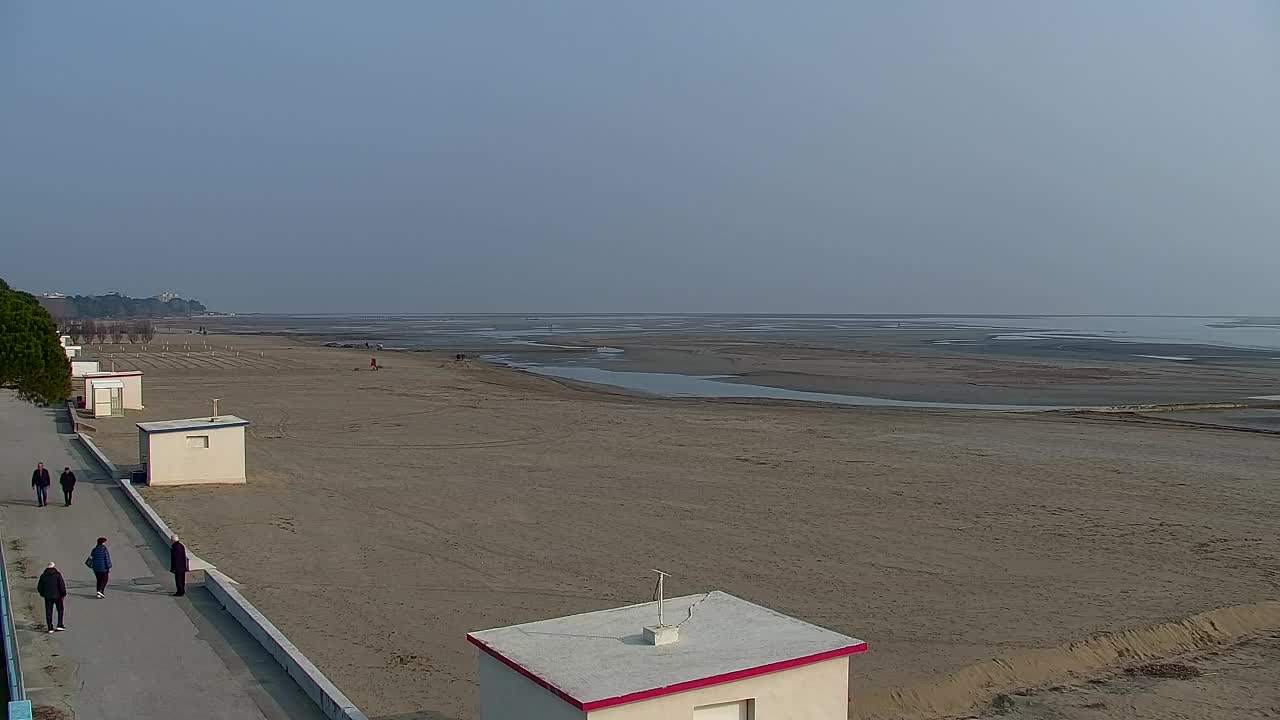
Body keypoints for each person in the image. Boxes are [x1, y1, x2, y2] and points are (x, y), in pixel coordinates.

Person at [37, 562, 67, 633]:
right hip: (58, 596)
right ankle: (59, 625)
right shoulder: (57, 575)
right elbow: (61, 585)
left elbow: (39, 587)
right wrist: (63, 594)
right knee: (60, 610)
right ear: (54, 567)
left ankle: (50, 627)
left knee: (48, 611)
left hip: (47, 597)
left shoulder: (43, 576)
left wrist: (42, 594)